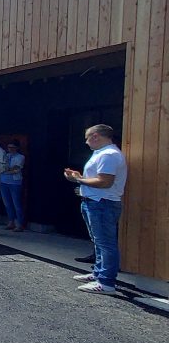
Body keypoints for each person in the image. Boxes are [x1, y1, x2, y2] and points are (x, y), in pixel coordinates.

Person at [64, 124, 127, 295]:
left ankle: (106, 282)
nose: (86, 142)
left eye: (87, 137)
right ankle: (99, 274)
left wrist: (79, 180)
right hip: (96, 201)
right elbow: (99, 179)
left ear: (96, 136)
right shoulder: (102, 153)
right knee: (99, 241)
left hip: (102, 202)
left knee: (106, 243)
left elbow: (105, 182)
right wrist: (78, 178)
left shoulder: (109, 155)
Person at [0, 140, 26, 231]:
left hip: (15, 182)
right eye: (9, 147)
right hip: (4, 181)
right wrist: (6, 170)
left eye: (12, 147)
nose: (10, 149)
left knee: (16, 203)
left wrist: (6, 170)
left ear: (16, 148)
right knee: (7, 203)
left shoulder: (20, 157)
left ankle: (20, 223)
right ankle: (11, 221)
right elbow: (1, 167)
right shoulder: (5, 156)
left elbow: (16, 168)